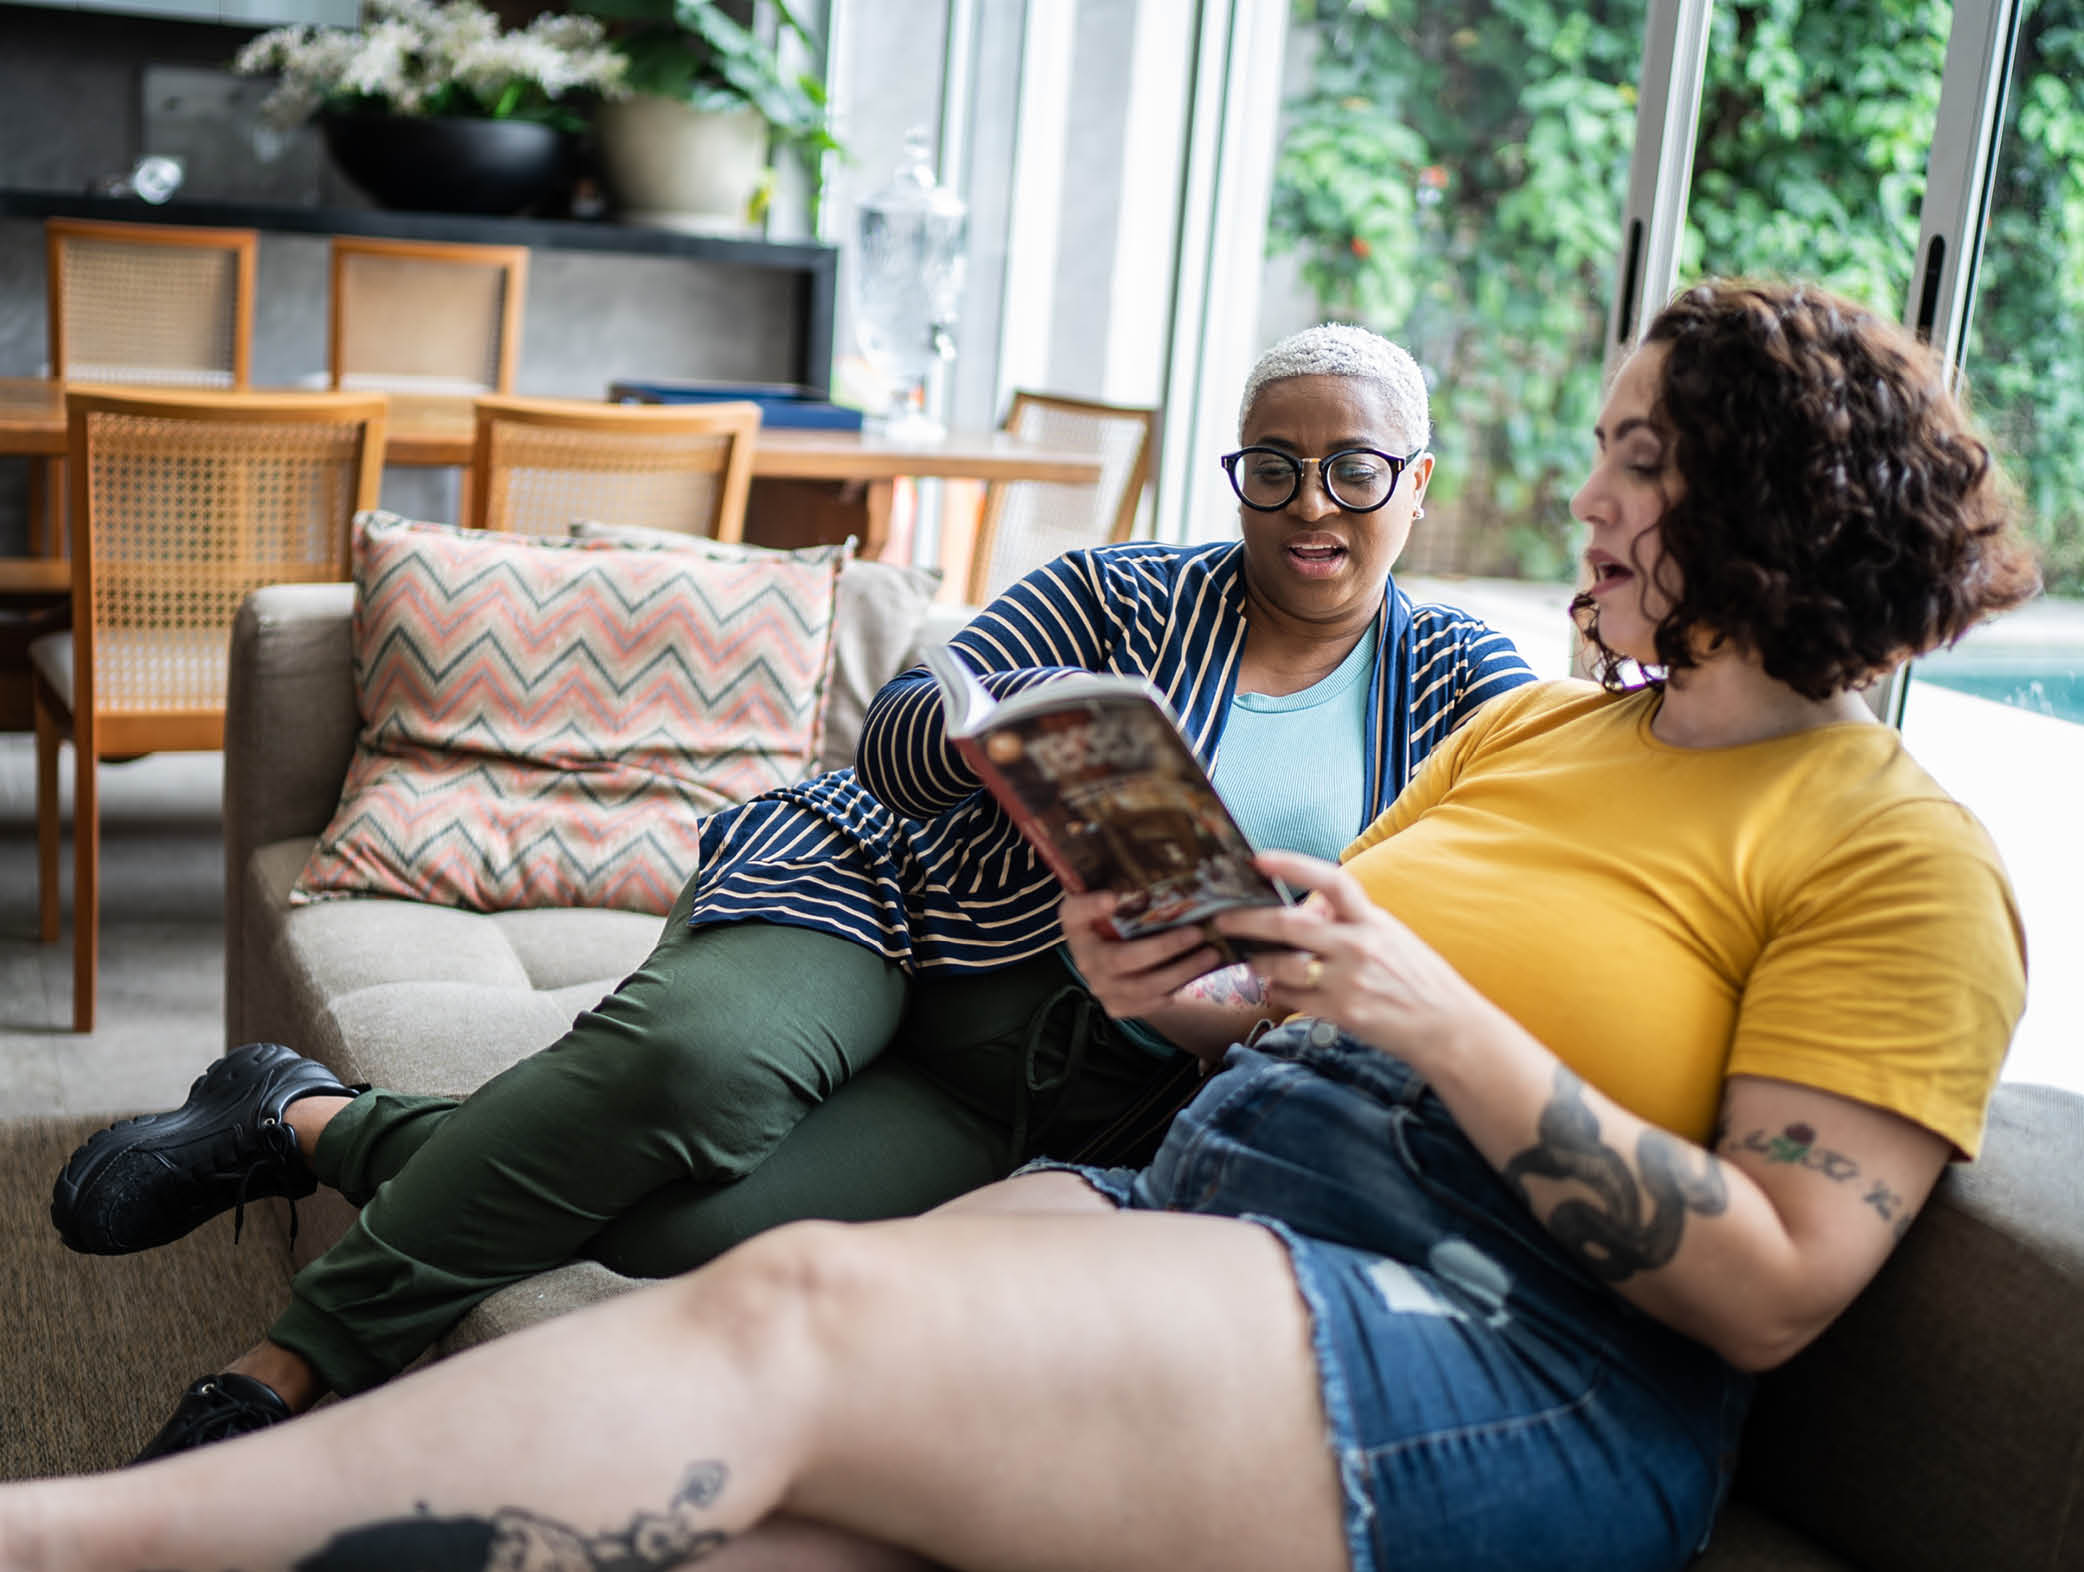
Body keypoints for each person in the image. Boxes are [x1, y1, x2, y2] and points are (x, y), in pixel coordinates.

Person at [5, 278, 2036, 1572]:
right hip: (1117, 1091)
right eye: (1274, 463)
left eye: (1631, 452)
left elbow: (1770, 1288)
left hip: (1476, 1309)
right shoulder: (1537, 745)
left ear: (1754, 503)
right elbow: (958, 760)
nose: (1586, 491)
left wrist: (1407, 1011)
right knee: (731, 1489)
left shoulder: (1884, 848)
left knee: (782, 1311)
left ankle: (87, 1538)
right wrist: (1179, 980)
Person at [48, 323, 1534, 1462]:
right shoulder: (1132, 591)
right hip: (888, 905)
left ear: (1416, 478)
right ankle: (293, 1367)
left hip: (1069, 1071)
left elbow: (1526, 863)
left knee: (677, 1223)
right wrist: (969, 737)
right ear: (1240, 474)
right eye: (1272, 464)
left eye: (1353, 467)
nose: (1309, 503)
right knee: (688, 1074)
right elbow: (896, 729)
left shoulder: (1465, 687)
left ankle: (300, 1120)